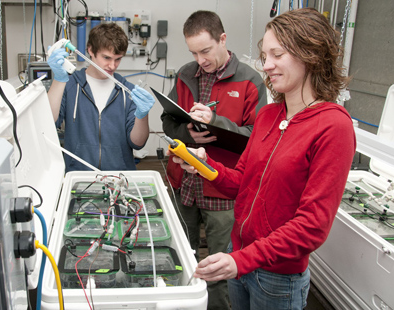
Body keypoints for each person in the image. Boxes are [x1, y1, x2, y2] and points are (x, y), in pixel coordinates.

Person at [168, 8, 356, 310]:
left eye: (276, 55)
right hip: (240, 261)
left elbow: (312, 226)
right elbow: (242, 182)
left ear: (310, 54)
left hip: (278, 279)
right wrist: (203, 163)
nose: (266, 65)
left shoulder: (333, 126)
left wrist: (241, 259)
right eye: (264, 56)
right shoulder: (269, 115)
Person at [161, 10, 267, 310]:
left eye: (205, 51)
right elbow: (168, 122)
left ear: (223, 39)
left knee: (220, 271)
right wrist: (189, 134)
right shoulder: (184, 75)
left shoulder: (250, 81)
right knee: (180, 257)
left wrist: (217, 123)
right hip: (184, 185)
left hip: (223, 191)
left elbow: (257, 138)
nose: (200, 60)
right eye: (194, 52)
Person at [47, 23, 155, 172]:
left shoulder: (127, 91)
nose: (112, 65)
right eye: (107, 58)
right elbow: (49, 123)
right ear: (90, 50)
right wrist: (58, 80)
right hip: (79, 176)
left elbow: (138, 143)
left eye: (118, 59)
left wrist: (143, 115)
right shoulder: (70, 86)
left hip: (120, 177)